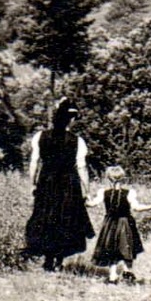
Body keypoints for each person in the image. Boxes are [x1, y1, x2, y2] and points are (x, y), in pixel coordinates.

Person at [22, 100, 95, 272]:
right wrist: (87, 190)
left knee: (46, 218)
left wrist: (32, 184)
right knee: (65, 220)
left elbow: (34, 162)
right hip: (68, 184)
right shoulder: (77, 141)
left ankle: (48, 258)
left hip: (46, 182)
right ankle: (58, 260)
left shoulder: (40, 136)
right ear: (71, 120)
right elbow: (82, 167)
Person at [89, 166, 151, 284]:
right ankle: (127, 272)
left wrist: (84, 199)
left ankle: (113, 276)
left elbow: (92, 203)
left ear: (108, 178)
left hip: (110, 224)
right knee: (127, 248)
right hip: (125, 223)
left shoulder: (103, 192)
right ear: (122, 178)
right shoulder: (129, 193)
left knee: (111, 249)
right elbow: (137, 207)